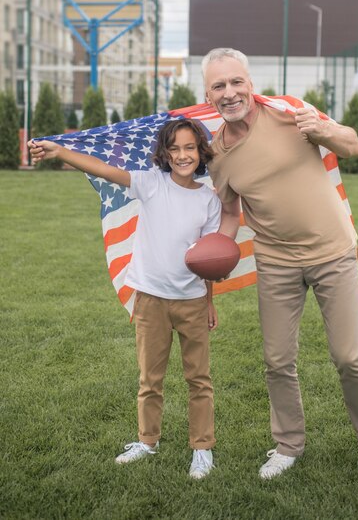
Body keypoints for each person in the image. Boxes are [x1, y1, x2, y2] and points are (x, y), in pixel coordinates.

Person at [203, 47, 358, 484]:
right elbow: (231, 210)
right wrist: (220, 247)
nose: (230, 92)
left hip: (333, 252)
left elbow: (355, 146)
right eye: (219, 85)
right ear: (209, 94)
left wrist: (323, 127)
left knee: (349, 356)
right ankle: (289, 444)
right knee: (277, 360)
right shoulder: (218, 154)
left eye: (236, 82)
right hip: (275, 261)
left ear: (250, 83)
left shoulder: (291, 113)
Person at [28, 118, 221, 479]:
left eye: (190, 147)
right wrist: (59, 152)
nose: (182, 155)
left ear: (201, 151)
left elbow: (208, 257)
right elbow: (103, 168)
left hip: (192, 301)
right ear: (164, 153)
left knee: (199, 379)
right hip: (150, 300)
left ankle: (202, 448)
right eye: (175, 148)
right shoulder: (150, 184)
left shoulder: (208, 200)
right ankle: (148, 441)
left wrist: (209, 301)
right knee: (150, 379)